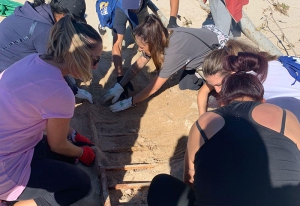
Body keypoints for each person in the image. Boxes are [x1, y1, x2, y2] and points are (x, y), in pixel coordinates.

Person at [147, 52, 300, 206]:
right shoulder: (286, 116)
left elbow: (190, 180)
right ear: (263, 100)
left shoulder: (203, 124)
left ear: (224, 100)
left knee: (161, 185)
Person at [0, 15, 103, 205]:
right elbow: (58, 145)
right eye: (95, 60)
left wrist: (73, 135)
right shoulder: (61, 92)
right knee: (80, 184)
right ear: (79, 55)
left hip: (13, 146)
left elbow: (41, 113)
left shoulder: (33, 60)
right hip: (6, 169)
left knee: (64, 159)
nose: (96, 66)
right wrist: (82, 153)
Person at [104, 14, 229, 112]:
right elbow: (141, 61)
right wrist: (120, 85)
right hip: (201, 44)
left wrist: (130, 102)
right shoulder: (161, 35)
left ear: (152, 43)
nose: (139, 49)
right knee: (185, 84)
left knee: (210, 94)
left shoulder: (173, 53)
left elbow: (155, 86)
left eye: (141, 46)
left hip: (218, 51)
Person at [0, 0, 93, 103]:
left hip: (11, 60)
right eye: (73, 21)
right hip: (7, 80)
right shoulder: (44, 31)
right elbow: (55, 67)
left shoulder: (31, 11)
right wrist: (74, 91)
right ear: (63, 16)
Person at [197, 39, 300, 120]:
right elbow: (204, 90)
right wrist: (202, 117)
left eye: (219, 84)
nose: (217, 90)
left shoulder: (250, 83)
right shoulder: (253, 61)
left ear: (233, 73)